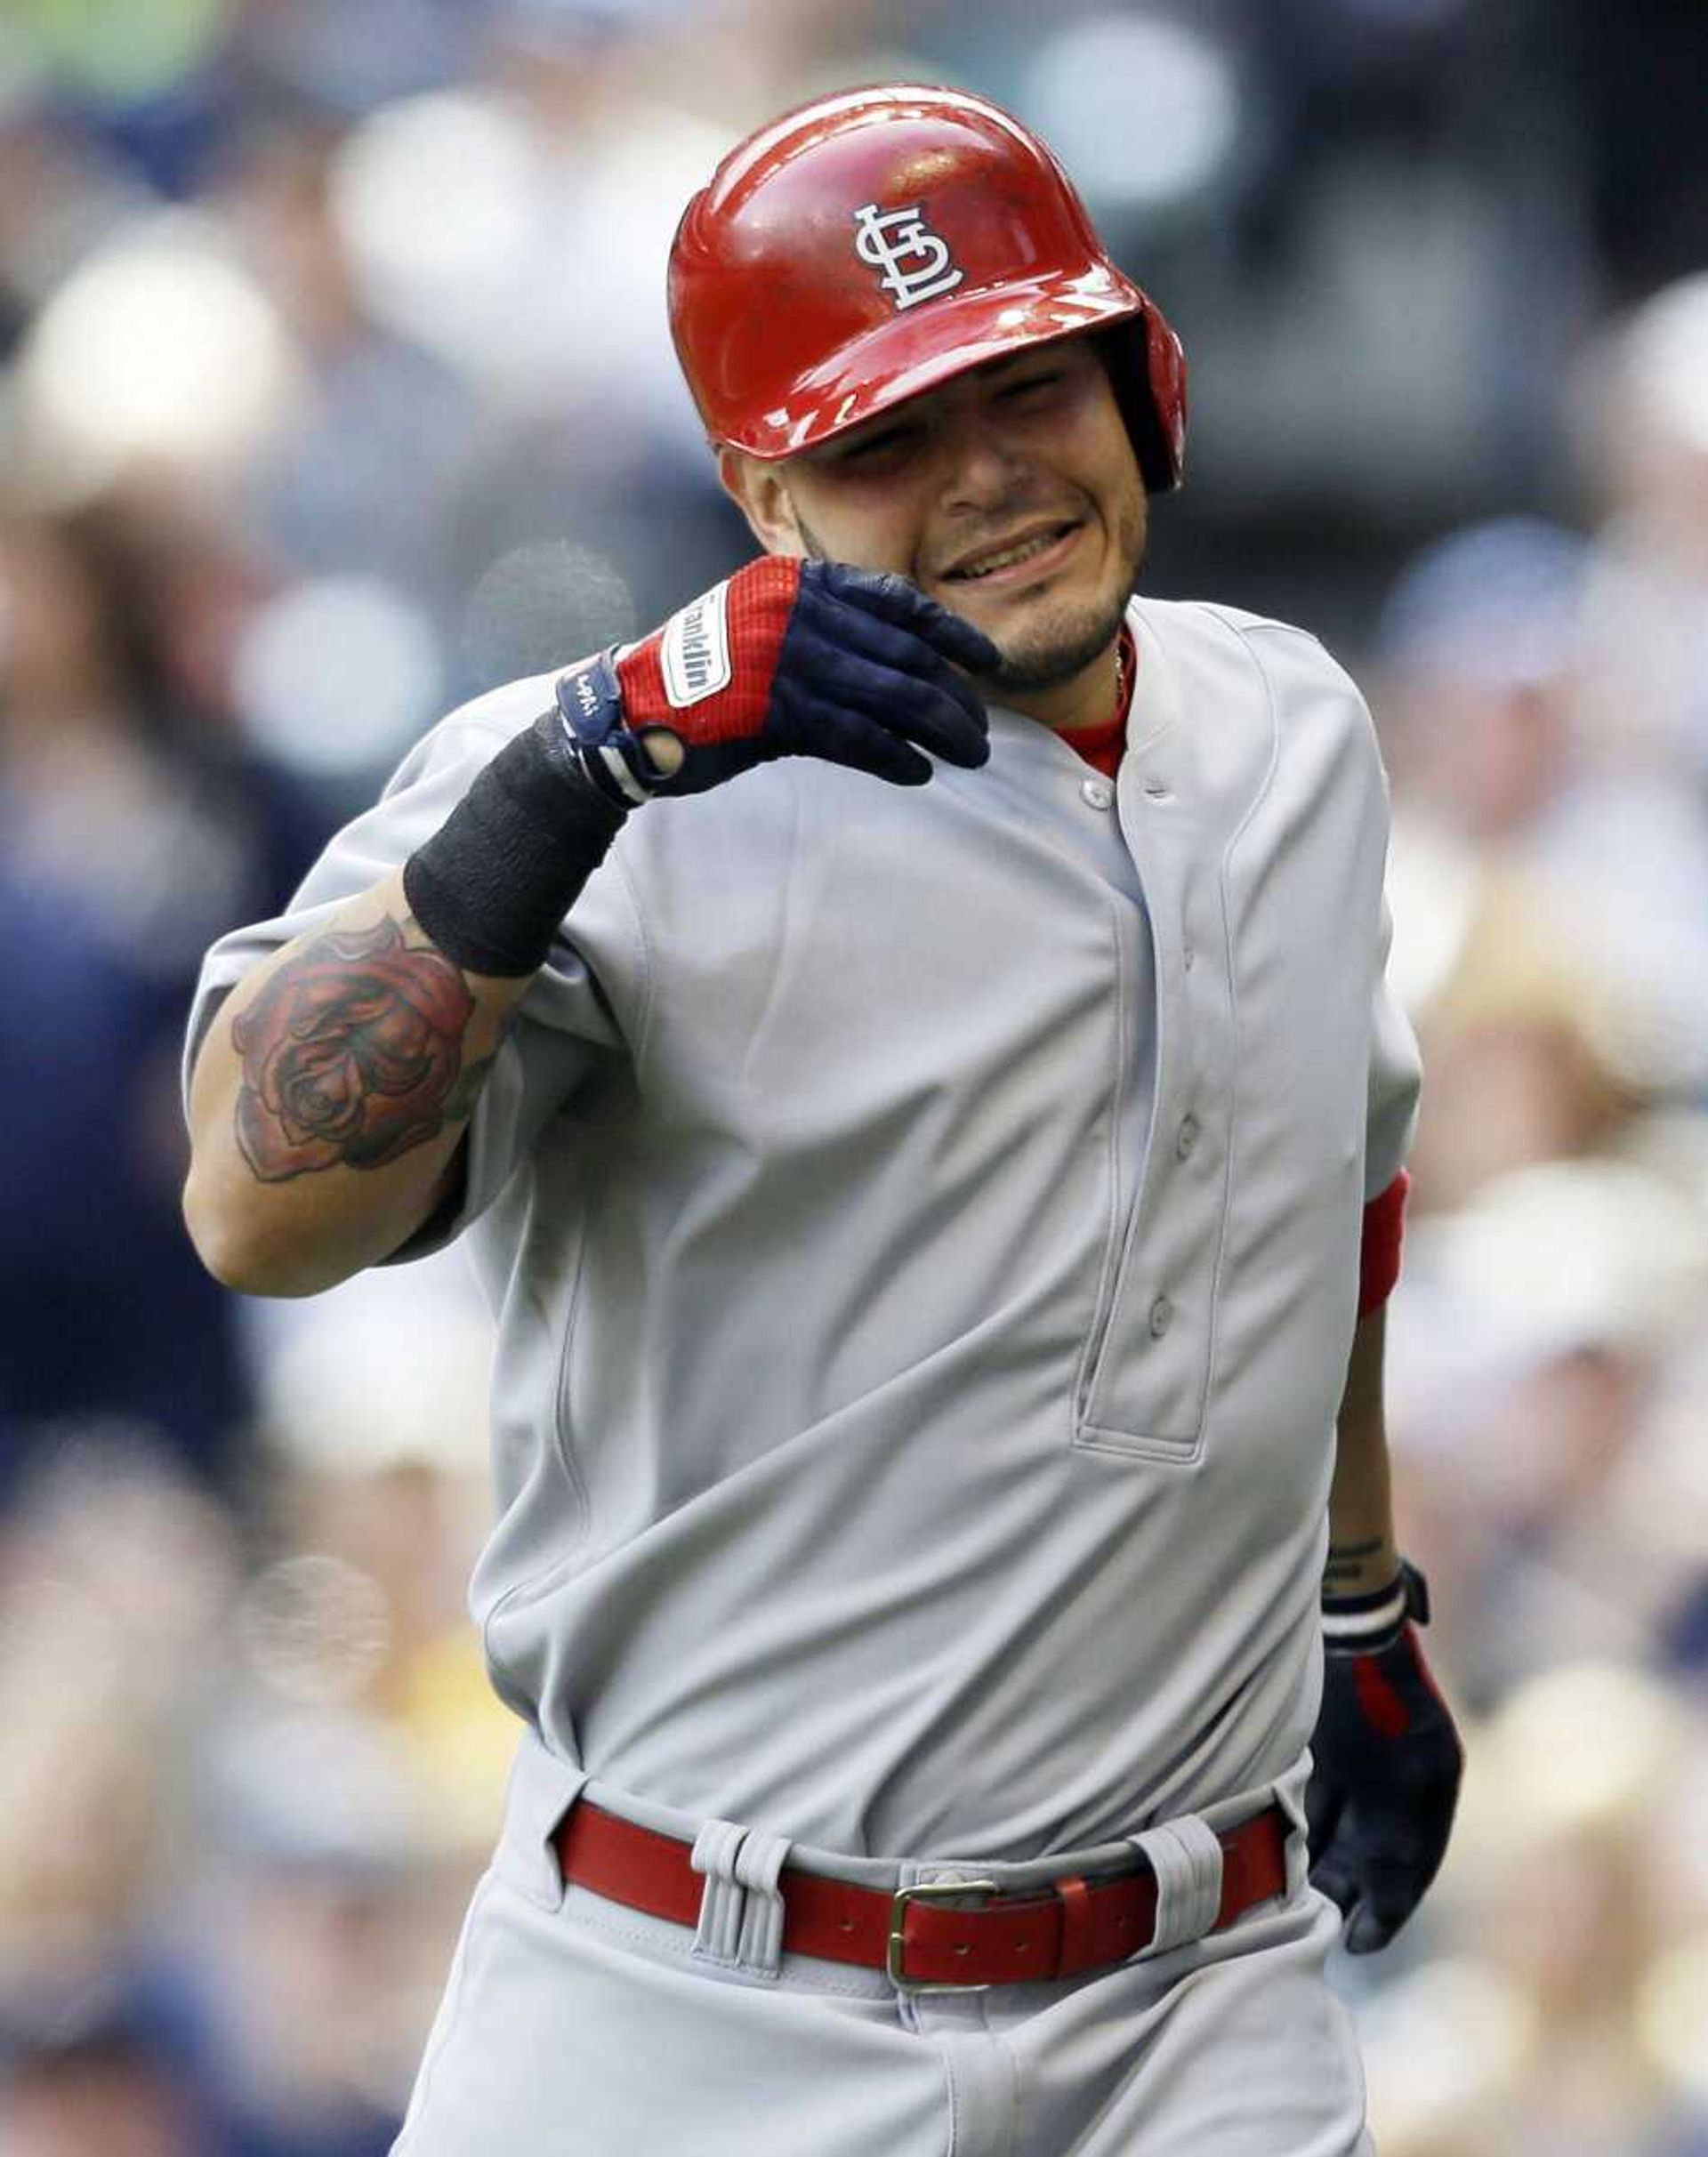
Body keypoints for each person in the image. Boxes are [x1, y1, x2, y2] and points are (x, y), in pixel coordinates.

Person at [181, 83, 1462, 2157]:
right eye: (887, 438)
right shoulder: (594, 784)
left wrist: (1363, 1602)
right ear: (766, 495)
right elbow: (253, 1207)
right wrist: (573, 777)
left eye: (1025, 385)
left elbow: (1334, 1190)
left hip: (1199, 2003)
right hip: (690, 1990)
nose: (988, 478)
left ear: (1141, 375)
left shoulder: (1290, 726)